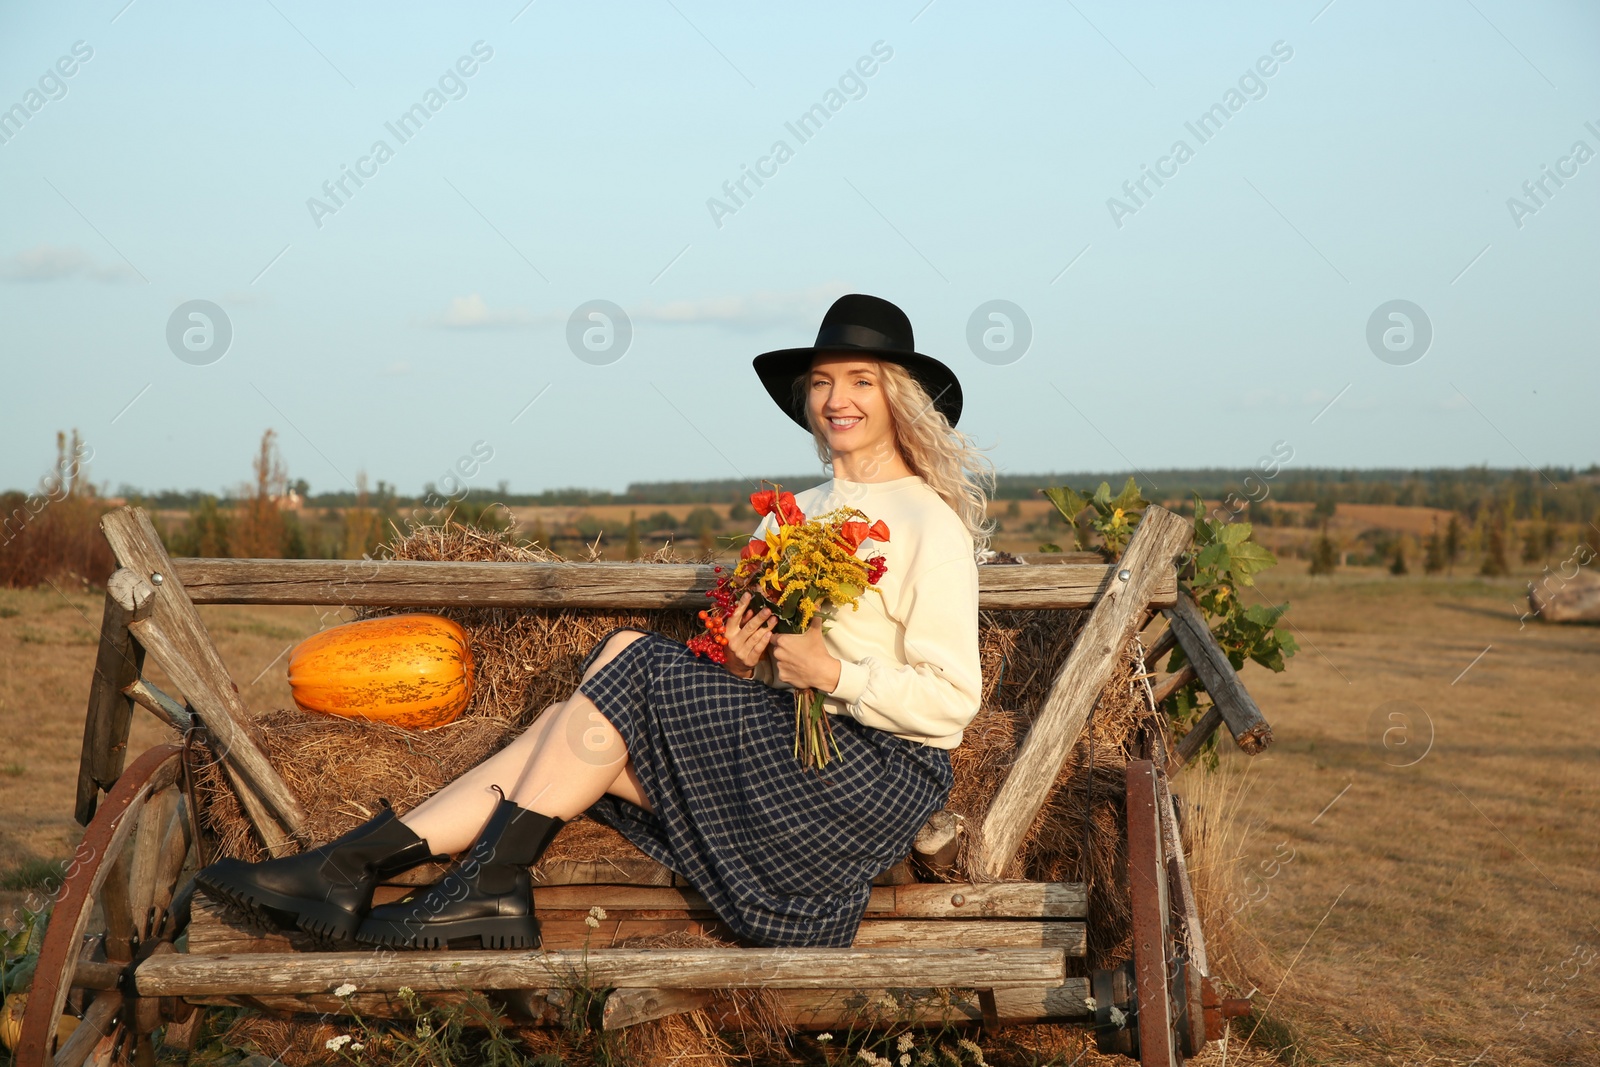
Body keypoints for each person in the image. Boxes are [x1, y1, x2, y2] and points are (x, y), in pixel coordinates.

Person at [195, 293, 997, 951]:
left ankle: (447, 881)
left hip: (871, 780)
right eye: (823, 381)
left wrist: (836, 675)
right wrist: (746, 659)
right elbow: (751, 666)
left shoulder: (929, 523)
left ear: (897, 395)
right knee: (567, 724)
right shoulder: (794, 515)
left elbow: (953, 703)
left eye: (860, 379)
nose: (836, 399)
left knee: (625, 659)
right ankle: (360, 866)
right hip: (791, 753)